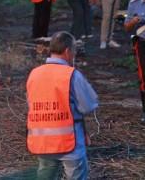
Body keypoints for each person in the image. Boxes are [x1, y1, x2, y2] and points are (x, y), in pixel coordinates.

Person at [26, 31, 98, 179]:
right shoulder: (71, 74)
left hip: (42, 142)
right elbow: (88, 105)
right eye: (74, 51)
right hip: (69, 143)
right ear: (67, 51)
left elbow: (30, 103)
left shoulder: (34, 74)